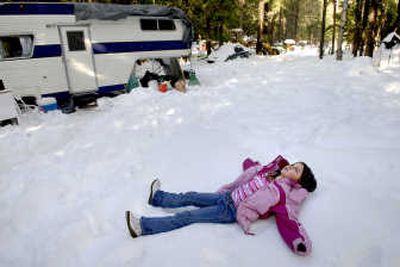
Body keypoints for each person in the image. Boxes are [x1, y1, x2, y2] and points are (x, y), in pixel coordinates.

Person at [125, 155, 317, 256]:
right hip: (226, 197)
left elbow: (289, 221)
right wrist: (251, 163)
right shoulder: (272, 172)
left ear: (298, 181)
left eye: (296, 169)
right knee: (192, 196)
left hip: (230, 211)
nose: (291, 166)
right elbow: (252, 173)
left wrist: (298, 242)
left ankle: (142, 226)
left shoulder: (282, 195)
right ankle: (158, 198)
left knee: (188, 216)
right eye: (293, 164)